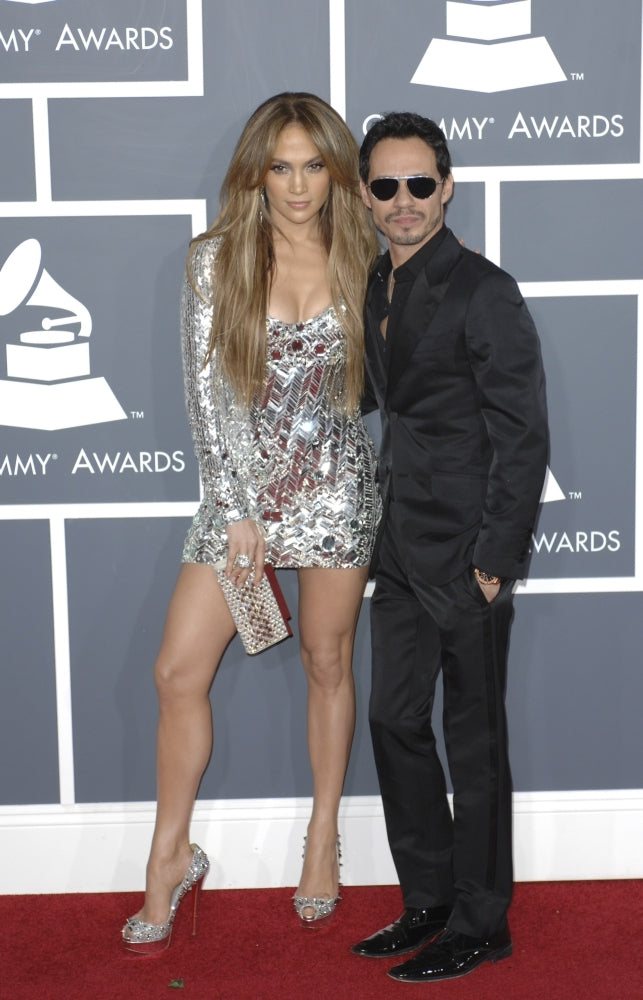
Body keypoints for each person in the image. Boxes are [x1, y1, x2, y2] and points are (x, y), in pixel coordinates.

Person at [122, 92, 381, 953]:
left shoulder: (367, 256)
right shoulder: (214, 260)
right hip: (241, 503)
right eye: (281, 166)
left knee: (325, 659)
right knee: (175, 673)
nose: (298, 184)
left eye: (313, 165)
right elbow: (204, 395)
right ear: (255, 171)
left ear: (335, 172)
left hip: (338, 491)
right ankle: (169, 856)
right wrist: (237, 508)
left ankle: (321, 835)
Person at [350, 112, 548, 983]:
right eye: (386, 186)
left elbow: (523, 434)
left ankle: (481, 919)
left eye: (419, 184)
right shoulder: (372, 281)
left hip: (466, 551)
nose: (403, 202)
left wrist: (496, 554)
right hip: (397, 544)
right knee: (392, 719)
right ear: (365, 194)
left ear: (447, 185)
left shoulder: (483, 289)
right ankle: (427, 898)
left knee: (473, 741)